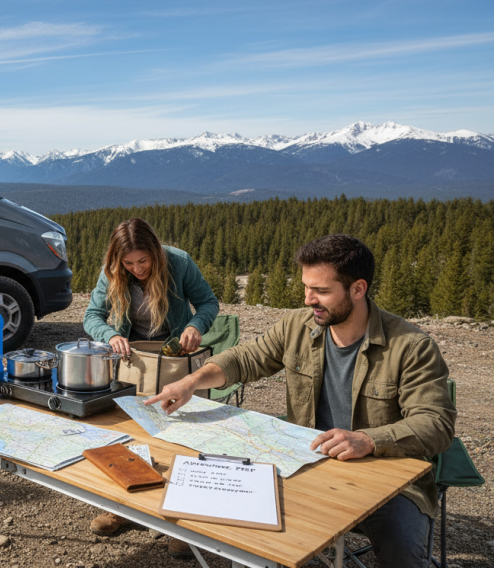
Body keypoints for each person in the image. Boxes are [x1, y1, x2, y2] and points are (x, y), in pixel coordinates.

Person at [147, 234, 456, 568]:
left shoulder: (411, 346)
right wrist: (192, 381)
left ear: (358, 289)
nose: (309, 300)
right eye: (307, 287)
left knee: (404, 552)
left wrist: (368, 439)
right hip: (305, 465)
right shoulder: (297, 325)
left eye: (321, 291)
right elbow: (244, 359)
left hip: (387, 477)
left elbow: (436, 425)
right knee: (245, 528)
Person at [84, 218, 219, 556]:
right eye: (129, 264)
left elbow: (208, 303)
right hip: (132, 360)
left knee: (180, 436)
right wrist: (110, 334)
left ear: (156, 253)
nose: (137, 269)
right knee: (130, 435)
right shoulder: (112, 270)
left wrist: (195, 325)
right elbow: (91, 317)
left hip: (174, 358)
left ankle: (180, 523)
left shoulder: (179, 262)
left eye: (143, 261)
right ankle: (123, 509)